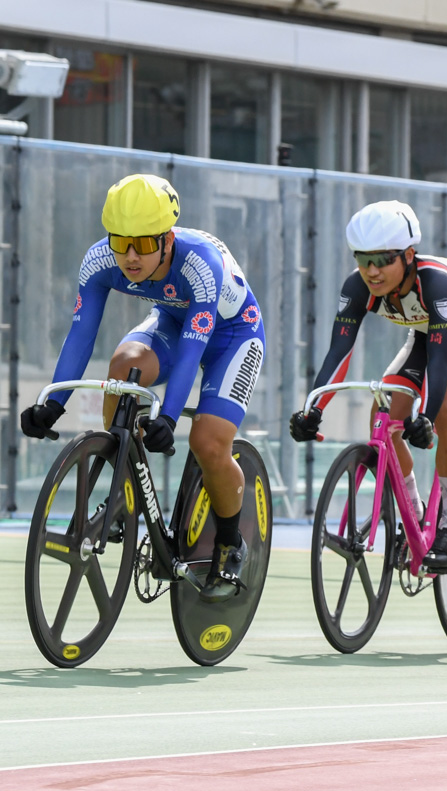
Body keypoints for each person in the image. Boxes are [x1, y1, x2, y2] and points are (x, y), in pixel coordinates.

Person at [19, 174, 266, 602]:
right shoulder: (100, 261)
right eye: (121, 242)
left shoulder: (200, 264)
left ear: (168, 239)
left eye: (145, 245)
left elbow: (193, 350)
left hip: (233, 335)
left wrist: (168, 417)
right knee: (123, 367)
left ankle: (231, 541)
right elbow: (81, 335)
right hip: (172, 320)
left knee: (208, 443)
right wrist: (54, 402)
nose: (131, 257)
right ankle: (126, 494)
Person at [289, 200, 447, 574]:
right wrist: (314, 408)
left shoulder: (436, 283)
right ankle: (414, 512)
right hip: (425, 335)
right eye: (363, 259)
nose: (372, 271)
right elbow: (339, 351)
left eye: (383, 260)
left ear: (409, 255)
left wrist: (426, 416)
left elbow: (440, 361)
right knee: (383, 415)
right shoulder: (358, 286)